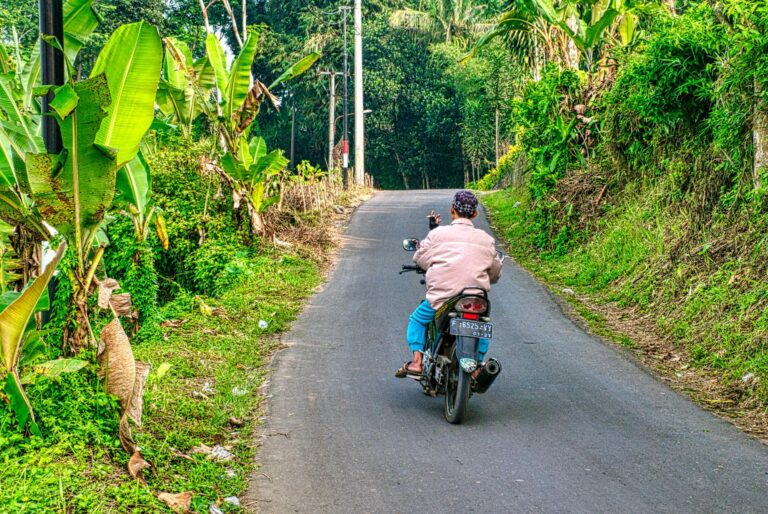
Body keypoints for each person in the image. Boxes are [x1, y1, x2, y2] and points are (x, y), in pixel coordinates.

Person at [396, 190, 503, 378]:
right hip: (475, 300)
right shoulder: (487, 240)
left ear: (452, 211)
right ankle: (477, 365)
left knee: (418, 320)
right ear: (475, 214)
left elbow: (420, 258)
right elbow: (494, 273)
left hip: (443, 298)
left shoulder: (438, 234)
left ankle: (417, 362)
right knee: (483, 325)